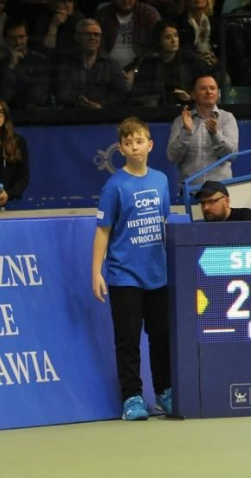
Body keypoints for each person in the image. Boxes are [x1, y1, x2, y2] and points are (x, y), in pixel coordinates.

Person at [91, 116, 172, 421]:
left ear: (150, 145)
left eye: (139, 141)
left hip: (158, 274)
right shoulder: (114, 186)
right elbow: (103, 231)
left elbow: (163, 224)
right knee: (128, 338)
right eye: (128, 142)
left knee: (161, 335)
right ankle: (133, 397)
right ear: (121, 148)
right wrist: (96, 272)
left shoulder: (162, 181)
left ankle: (165, 392)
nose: (134, 146)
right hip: (124, 275)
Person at [167, 73, 239, 186]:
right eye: (203, 88)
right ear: (193, 94)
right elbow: (172, 157)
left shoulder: (227, 118)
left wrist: (215, 134)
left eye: (212, 88)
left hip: (219, 193)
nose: (209, 92)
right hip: (190, 192)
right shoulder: (181, 120)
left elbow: (232, 155)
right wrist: (186, 131)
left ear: (218, 93)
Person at [129, 20, 208, 106]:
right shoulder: (149, 63)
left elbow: (204, 84)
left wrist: (191, 96)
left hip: (187, 107)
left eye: (176, 35)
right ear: (159, 41)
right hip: (156, 110)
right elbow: (140, 94)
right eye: (167, 37)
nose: (174, 41)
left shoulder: (190, 59)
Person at [56, 18, 129, 109]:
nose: (93, 38)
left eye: (96, 35)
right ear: (77, 37)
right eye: (87, 34)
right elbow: (62, 93)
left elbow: (120, 93)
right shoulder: (66, 63)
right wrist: (81, 102)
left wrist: (100, 105)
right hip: (74, 114)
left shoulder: (111, 64)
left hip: (105, 114)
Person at [0, 18, 51, 109]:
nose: (18, 42)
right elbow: (2, 98)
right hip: (7, 113)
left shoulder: (40, 62)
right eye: (13, 38)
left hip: (34, 114)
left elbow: (38, 97)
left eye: (21, 37)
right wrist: (11, 66)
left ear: (27, 37)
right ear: (5, 40)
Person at [95, 0, 161, 85]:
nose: (125, 1)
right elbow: (98, 46)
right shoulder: (103, 14)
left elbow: (156, 45)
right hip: (108, 66)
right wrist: (112, 67)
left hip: (142, 67)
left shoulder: (149, 13)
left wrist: (135, 70)